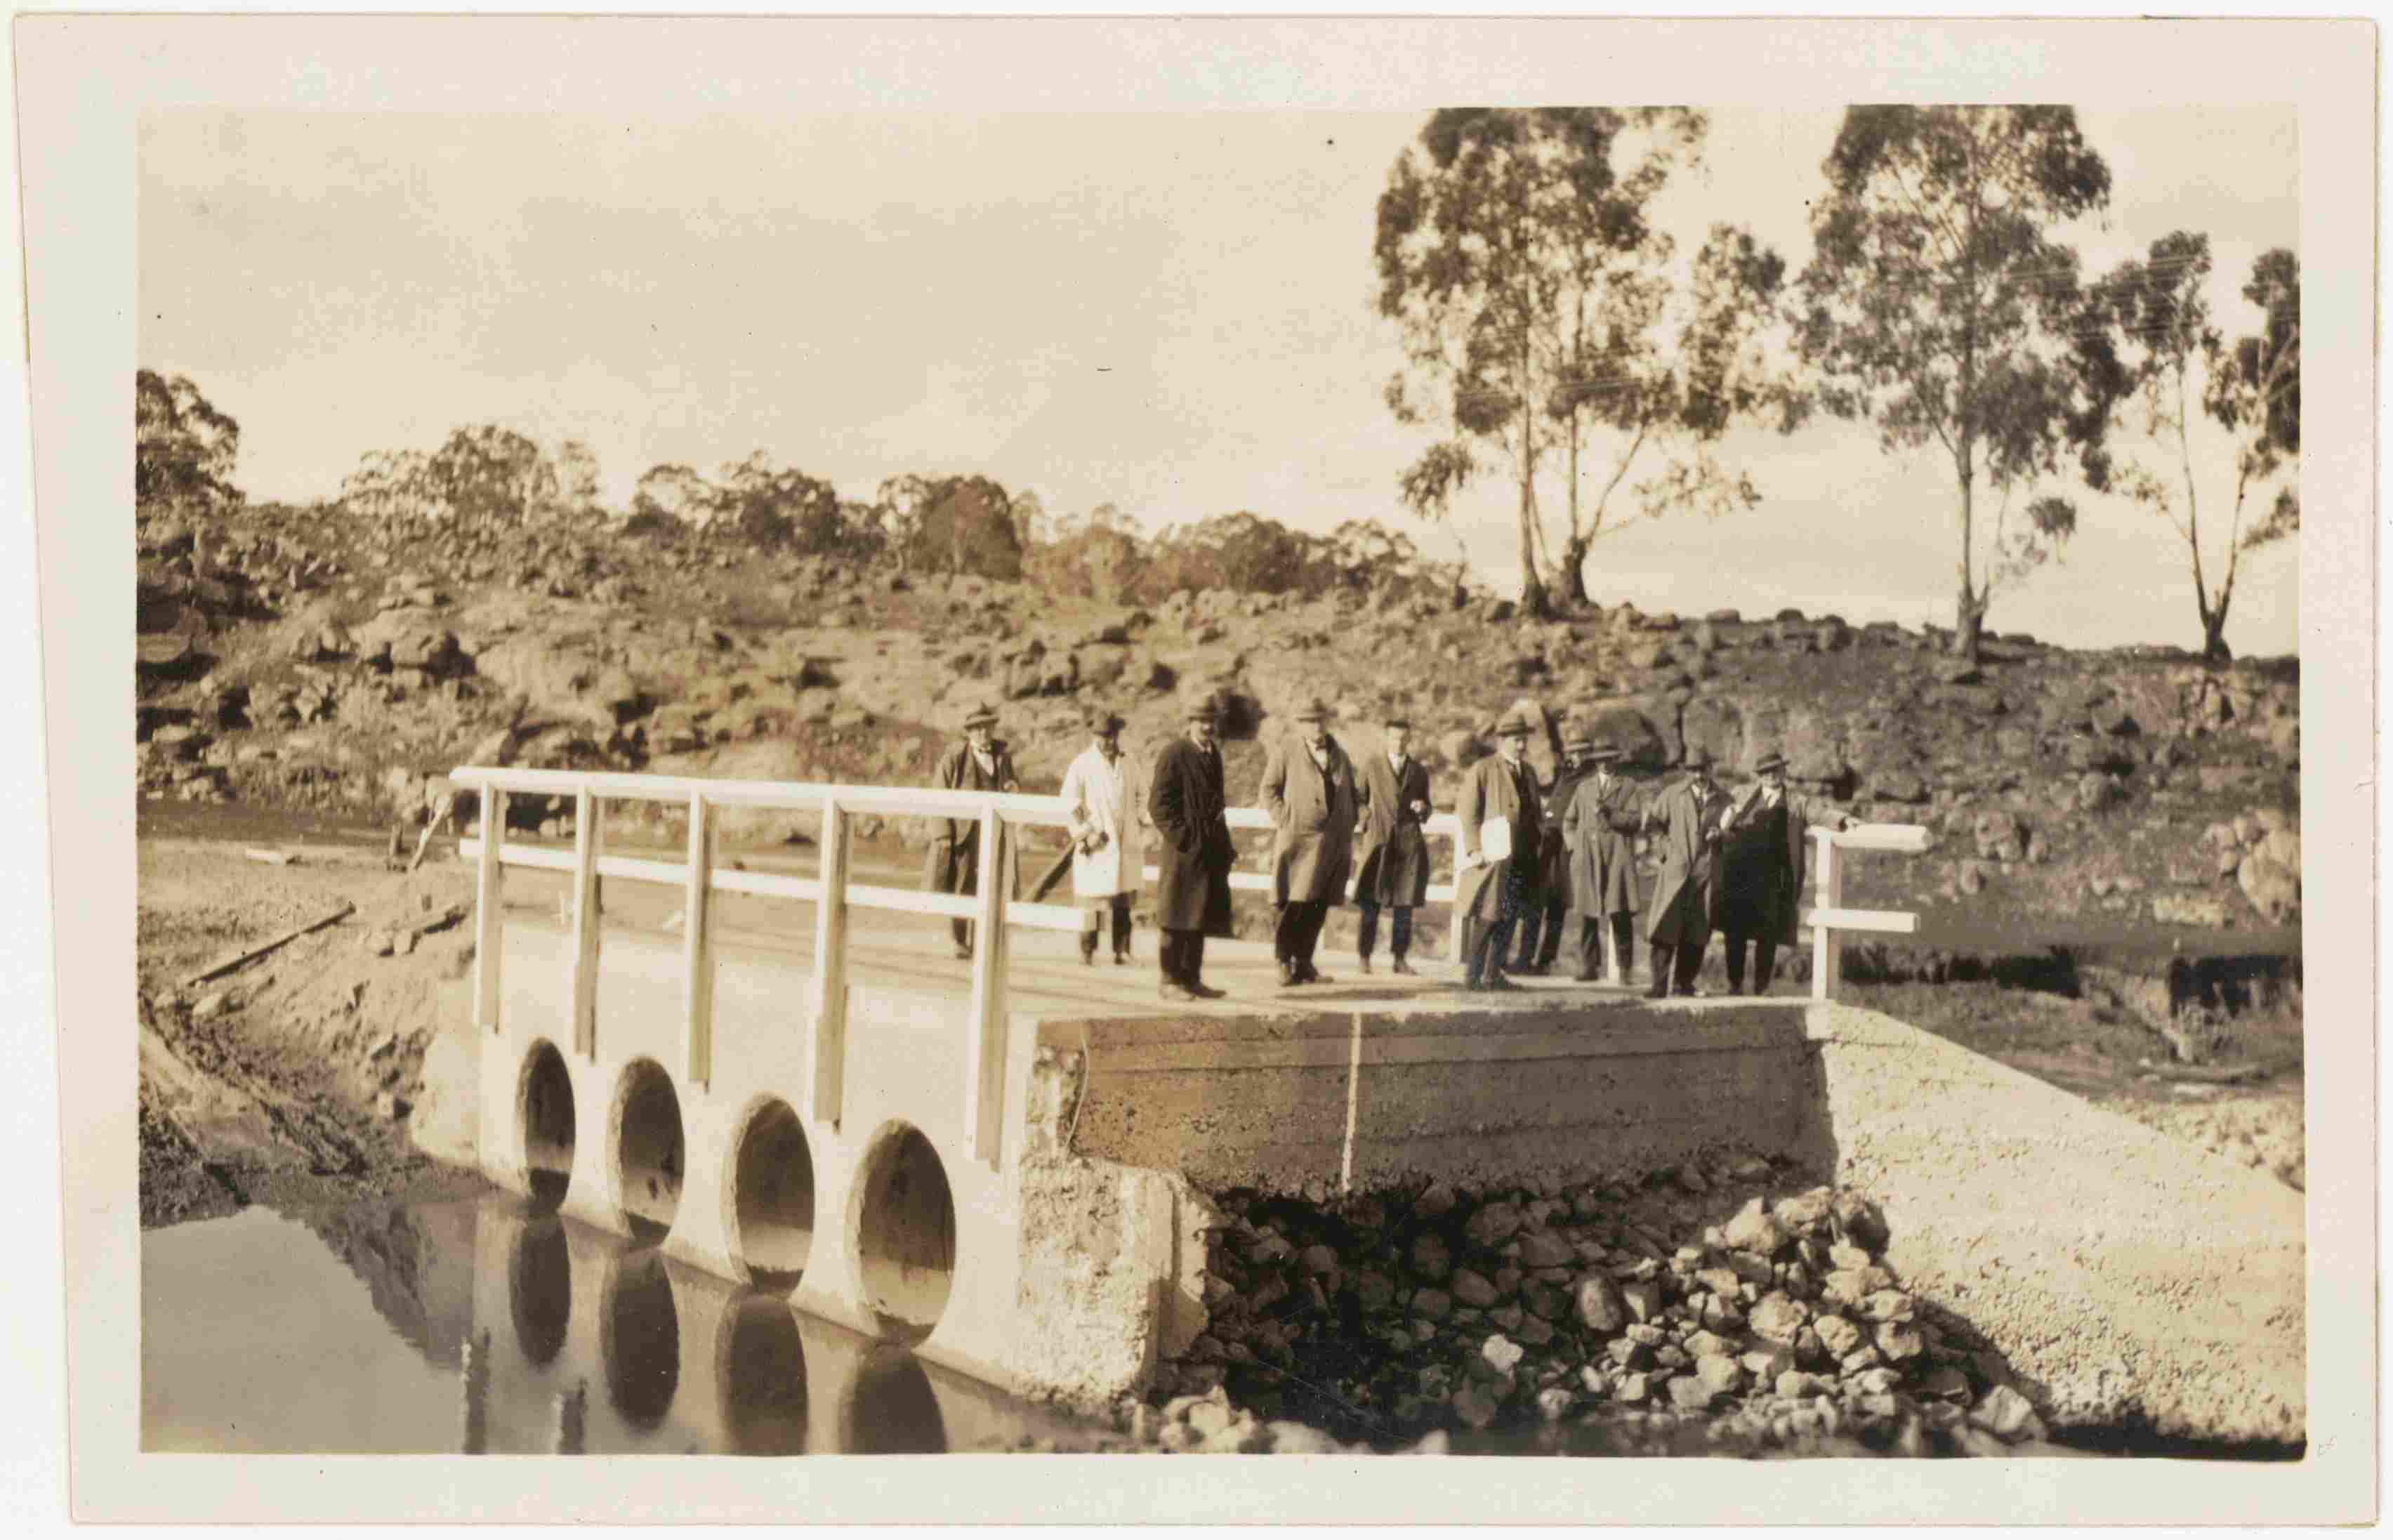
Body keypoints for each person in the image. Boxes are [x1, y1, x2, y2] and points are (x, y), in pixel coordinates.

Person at [1715, 751, 1854, 994]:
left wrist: (1843, 820)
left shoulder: (1796, 801)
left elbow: (1820, 812)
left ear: (1783, 772)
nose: (1771, 776)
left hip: (1772, 878)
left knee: (1766, 934)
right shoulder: (1741, 794)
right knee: (1734, 932)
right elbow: (1717, 814)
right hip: (1739, 873)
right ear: (1758, 776)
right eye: (1766, 772)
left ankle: (1760, 987)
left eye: (1776, 770)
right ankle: (1734, 985)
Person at [1259, 698, 1359, 987]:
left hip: (1332, 842)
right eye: (1310, 721)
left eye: (1320, 721)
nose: (1316, 727)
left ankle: (1304, 963)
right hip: (1299, 840)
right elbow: (1268, 790)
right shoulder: (1287, 750)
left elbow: (1353, 792)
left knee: (1318, 904)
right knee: (1294, 904)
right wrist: (1285, 819)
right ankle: (1283, 961)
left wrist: (1358, 816)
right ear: (1301, 725)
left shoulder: (1339, 753)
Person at [1149, 695, 1234, 1001]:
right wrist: (1185, 838)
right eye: (1202, 721)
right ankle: (1169, 980)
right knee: (1175, 916)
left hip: (1209, 851)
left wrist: (1223, 846)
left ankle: (1191, 978)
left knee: (1198, 916)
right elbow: (1159, 806)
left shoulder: (1214, 755)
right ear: (1190, 723)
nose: (1208, 726)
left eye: (1211, 721)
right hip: (1183, 851)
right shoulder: (1174, 753)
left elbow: (1218, 805)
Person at [1453, 709, 1545, 992]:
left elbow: (1534, 810)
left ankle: (1494, 974)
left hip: (1523, 854)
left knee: (1510, 914)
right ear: (1502, 740)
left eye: (1524, 740)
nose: (1521, 746)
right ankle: (1473, 975)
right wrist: (1474, 849)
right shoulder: (1484, 769)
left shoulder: (1528, 771)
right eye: (1516, 740)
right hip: (1495, 854)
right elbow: (1468, 812)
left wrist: (1538, 839)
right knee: (1488, 914)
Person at [923, 702, 1020, 959]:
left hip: (994, 832)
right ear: (968, 732)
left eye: (987, 727)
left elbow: (1011, 784)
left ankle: (981, 941)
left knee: (989, 885)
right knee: (962, 885)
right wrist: (943, 833)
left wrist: (1012, 788)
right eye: (976, 729)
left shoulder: (1003, 756)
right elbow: (938, 793)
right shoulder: (955, 757)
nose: (982, 733)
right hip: (964, 833)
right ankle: (959, 940)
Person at [1057, 708, 1147, 966]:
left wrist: (1139, 819)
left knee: (1123, 898)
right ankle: (1088, 950)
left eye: (1111, 735)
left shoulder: (1129, 761)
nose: (1107, 741)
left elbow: (1143, 794)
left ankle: (1122, 950)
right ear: (1094, 736)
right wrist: (1087, 834)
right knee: (1093, 899)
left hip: (1125, 839)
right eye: (1102, 736)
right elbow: (1070, 802)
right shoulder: (1082, 764)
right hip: (1098, 842)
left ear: (1118, 735)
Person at [1642, 752, 1732, 999]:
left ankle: (1685, 984)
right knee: (1665, 926)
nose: (1698, 775)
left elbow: (1735, 831)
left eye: (1702, 769)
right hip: (1676, 872)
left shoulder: (1724, 799)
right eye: (1693, 770)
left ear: (1711, 768)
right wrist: (1666, 852)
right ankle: (1659, 985)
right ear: (1685, 770)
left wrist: (1722, 836)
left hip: (1706, 873)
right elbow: (1652, 825)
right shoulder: (1672, 795)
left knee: (1697, 930)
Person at [1352, 713, 1432, 975]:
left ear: (1409, 740)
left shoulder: (1418, 771)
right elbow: (1358, 799)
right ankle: (1364, 957)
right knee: (1370, 903)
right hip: (1379, 841)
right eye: (1394, 737)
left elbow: (1426, 805)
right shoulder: (1371, 766)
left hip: (1408, 844)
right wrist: (1367, 820)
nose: (1399, 743)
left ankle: (1399, 958)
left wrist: (1423, 808)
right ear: (1386, 738)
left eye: (1404, 738)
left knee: (1404, 905)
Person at [1560, 744, 1645, 984]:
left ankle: (1625, 969)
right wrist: (1576, 847)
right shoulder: (1585, 788)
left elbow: (1635, 821)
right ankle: (1589, 967)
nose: (1605, 764)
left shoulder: (1628, 786)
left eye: (1609, 759)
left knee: (1620, 912)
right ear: (1595, 762)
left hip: (1617, 855)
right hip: (1589, 856)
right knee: (1588, 912)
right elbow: (1569, 821)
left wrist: (1610, 813)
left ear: (1616, 760)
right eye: (1600, 760)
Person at [1515, 735, 1588, 975]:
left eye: (1581, 753)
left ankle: (1546, 961)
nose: (1575, 757)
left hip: (1567, 850)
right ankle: (1525, 958)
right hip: (1547, 848)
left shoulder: (1588, 781)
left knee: (1557, 905)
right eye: (1573, 752)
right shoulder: (1565, 777)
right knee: (1535, 902)